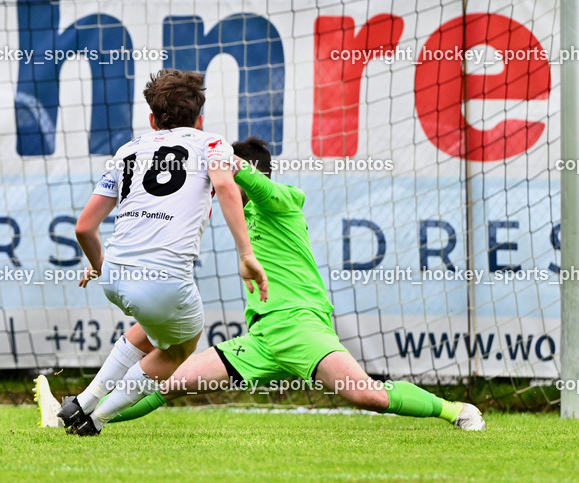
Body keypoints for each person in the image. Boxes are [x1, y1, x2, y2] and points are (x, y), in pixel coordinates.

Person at [39, 136, 485, 432]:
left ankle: (458, 411)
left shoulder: (284, 202)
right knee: (170, 379)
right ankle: (78, 417)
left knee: (364, 394)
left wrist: (226, 162)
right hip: (261, 338)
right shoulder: (235, 211)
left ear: (244, 171)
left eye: (225, 176)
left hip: (301, 327)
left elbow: (264, 190)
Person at [54, 69, 268, 436]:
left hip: (116, 276)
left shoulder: (127, 151)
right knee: (182, 346)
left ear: (152, 120)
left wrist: (99, 266)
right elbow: (227, 187)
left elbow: (84, 228)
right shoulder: (211, 143)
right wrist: (246, 253)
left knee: (153, 329)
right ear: (200, 120)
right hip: (163, 282)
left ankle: (82, 402)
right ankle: (96, 420)